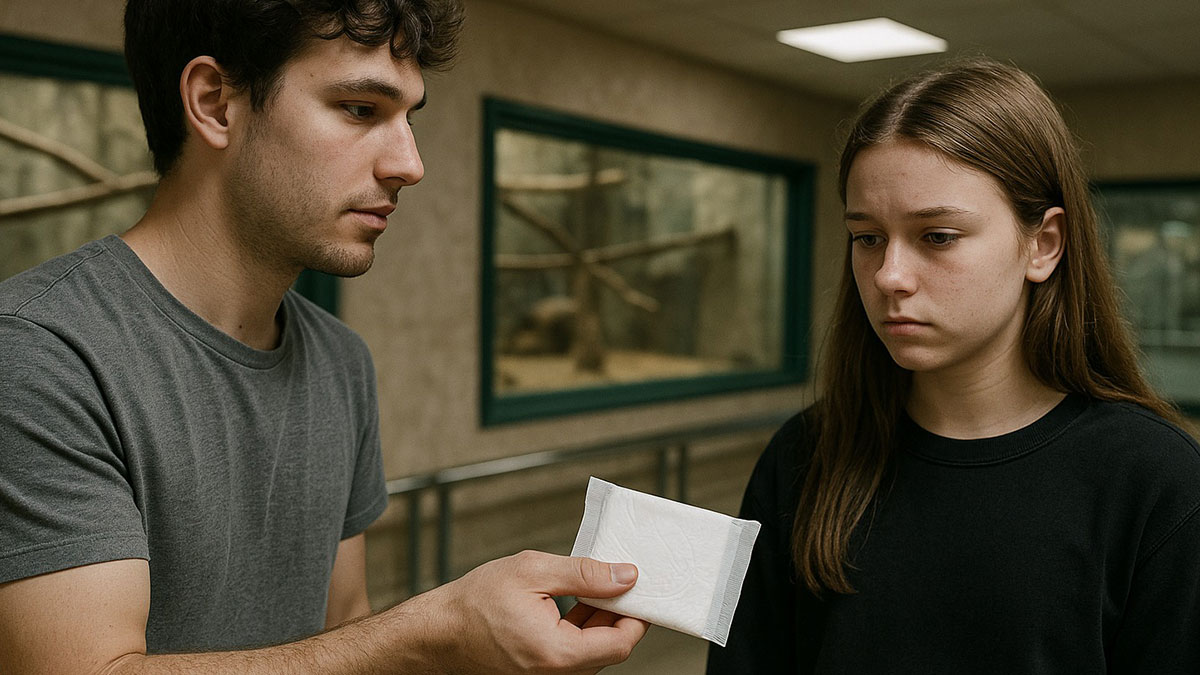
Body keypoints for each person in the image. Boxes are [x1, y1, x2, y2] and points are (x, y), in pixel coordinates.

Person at [0, 1, 647, 672]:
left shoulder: (340, 361)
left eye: (409, 118)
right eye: (361, 109)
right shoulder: (40, 353)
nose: (410, 163)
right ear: (216, 103)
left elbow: (345, 630)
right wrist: (434, 631)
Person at [707, 59, 1200, 674]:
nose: (889, 275)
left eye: (937, 236)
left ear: (1043, 244)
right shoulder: (806, 454)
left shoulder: (1156, 481)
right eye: (867, 238)